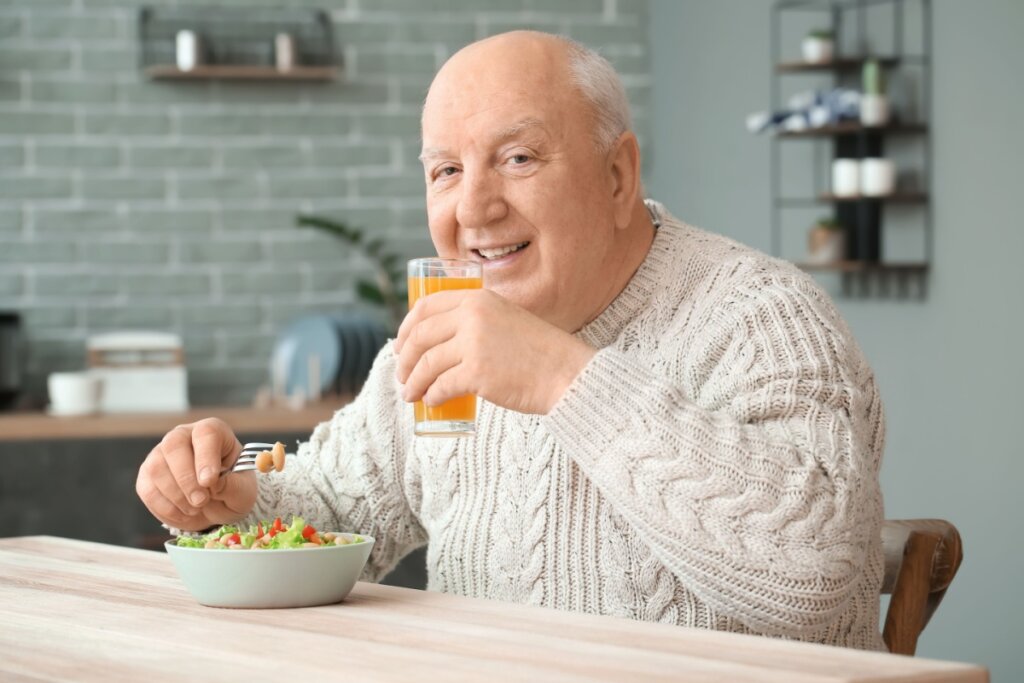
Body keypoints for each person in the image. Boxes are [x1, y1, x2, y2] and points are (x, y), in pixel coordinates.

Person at [137, 31, 885, 650]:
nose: (473, 207)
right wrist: (231, 496)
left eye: (518, 159)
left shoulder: (763, 316)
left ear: (619, 175)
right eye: (447, 170)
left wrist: (565, 379)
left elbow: (819, 575)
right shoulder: (436, 334)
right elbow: (334, 507)